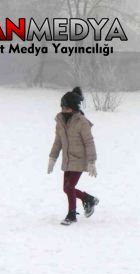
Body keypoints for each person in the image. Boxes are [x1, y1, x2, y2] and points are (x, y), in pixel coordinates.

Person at [48, 87, 99, 225]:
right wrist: (52, 158)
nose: (65, 111)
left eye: (67, 108)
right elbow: (58, 141)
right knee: (66, 188)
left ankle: (71, 214)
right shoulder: (60, 122)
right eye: (63, 108)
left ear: (74, 108)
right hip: (68, 160)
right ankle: (88, 199)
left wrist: (92, 161)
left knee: (70, 187)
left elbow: (89, 142)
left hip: (80, 160)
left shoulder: (82, 122)